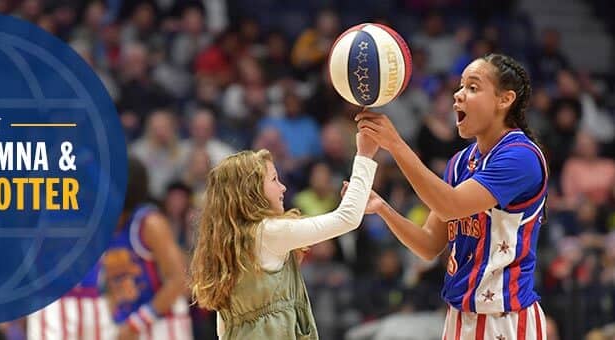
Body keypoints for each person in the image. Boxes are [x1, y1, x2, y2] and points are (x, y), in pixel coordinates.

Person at [356, 53, 549, 339]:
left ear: (505, 99)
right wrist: (383, 208)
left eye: (473, 87)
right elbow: (428, 245)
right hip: (459, 316)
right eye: (460, 86)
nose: (458, 95)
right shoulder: (460, 163)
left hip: (504, 318)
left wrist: (395, 145)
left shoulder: (521, 157)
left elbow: (450, 206)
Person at [189, 132, 379, 339]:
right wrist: (365, 155)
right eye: (274, 179)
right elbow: (347, 218)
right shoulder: (269, 232)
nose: (283, 187)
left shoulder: (228, 242)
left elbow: (223, 328)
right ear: (252, 190)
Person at [99, 157, 192, 340]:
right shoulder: (107, 227)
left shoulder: (149, 223)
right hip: (127, 325)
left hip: (163, 325)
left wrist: (137, 322)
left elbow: (179, 279)